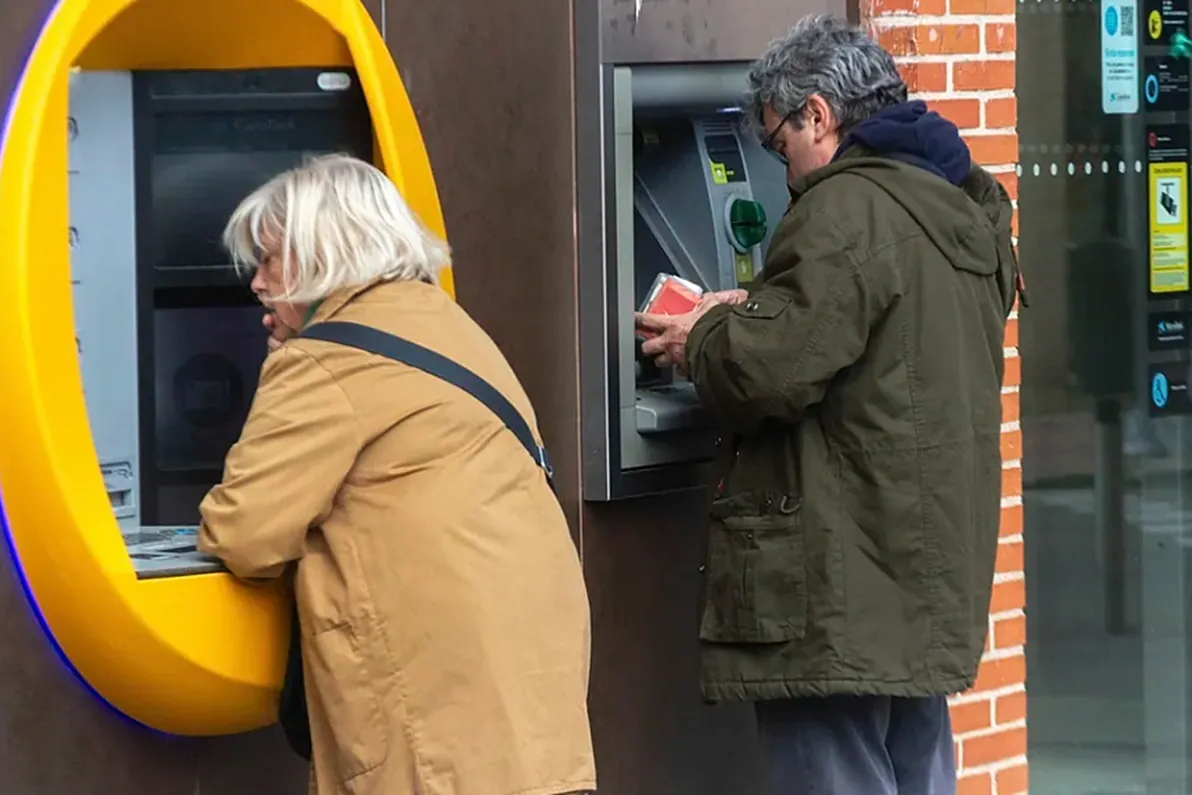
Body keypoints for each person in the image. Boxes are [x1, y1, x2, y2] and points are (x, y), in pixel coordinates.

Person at [635, 15, 1023, 795]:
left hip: (837, 576)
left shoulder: (844, 209)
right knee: (916, 764)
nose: (783, 174)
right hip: (917, 566)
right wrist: (763, 306)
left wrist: (703, 332)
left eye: (778, 145)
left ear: (817, 114)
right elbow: (870, 337)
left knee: (834, 770)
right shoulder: (950, 197)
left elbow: (766, 373)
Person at [196, 154, 597, 795]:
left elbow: (243, 534)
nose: (258, 283)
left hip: (436, 700)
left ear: (321, 251)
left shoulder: (323, 362)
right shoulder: (444, 324)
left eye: (268, 259)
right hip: (525, 675)